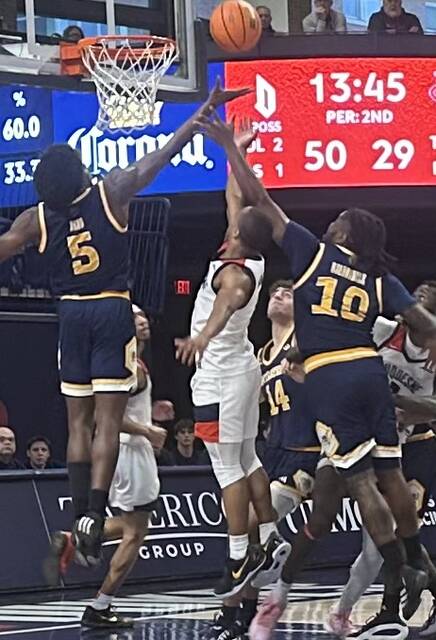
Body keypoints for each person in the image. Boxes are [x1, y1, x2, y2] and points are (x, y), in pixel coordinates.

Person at [197, 110, 436, 640]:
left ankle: (398, 571)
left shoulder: (313, 249)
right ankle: (416, 558)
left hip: (330, 376)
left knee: (360, 482)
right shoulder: (380, 275)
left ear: (344, 230)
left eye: (340, 218)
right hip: (371, 373)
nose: (333, 220)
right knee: (390, 475)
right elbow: (422, 326)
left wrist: (231, 150)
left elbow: (259, 198)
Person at [0, 78, 248, 568]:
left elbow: (3, 247)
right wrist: (195, 120)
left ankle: (77, 516)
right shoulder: (111, 192)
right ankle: (96, 510)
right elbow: (156, 160)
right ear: (78, 172)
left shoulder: (35, 220)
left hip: (69, 313)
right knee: (110, 418)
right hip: (111, 308)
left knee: (78, 421)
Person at [175, 121, 290, 606]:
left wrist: (201, 334)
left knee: (228, 470)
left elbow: (226, 304)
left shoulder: (235, 276)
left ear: (240, 239)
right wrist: (235, 157)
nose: (232, 220)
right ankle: (269, 539)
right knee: (248, 459)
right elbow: (235, 203)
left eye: (236, 223)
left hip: (220, 376)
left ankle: (240, 557)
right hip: (241, 369)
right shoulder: (245, 251)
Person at [44, 305, 168, 629]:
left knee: (129, 523)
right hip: (131, 454)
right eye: (135, 317)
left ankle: (72, 537)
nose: (142, 321)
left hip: (117, 455)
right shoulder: (130, 369)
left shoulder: (127, 363)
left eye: (143, 316)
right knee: (137, 532)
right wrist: (149, 430)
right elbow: (106, 418)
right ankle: (101, 606)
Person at [326, 280, 436, 637]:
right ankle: (363, 611)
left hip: (415, 448)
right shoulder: (382, 330)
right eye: (412, 298)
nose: (412, 305)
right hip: (367, 441)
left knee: (396, 537)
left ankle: (386, 612)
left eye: (422, 302)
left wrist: (398, 406)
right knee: (388, 538)